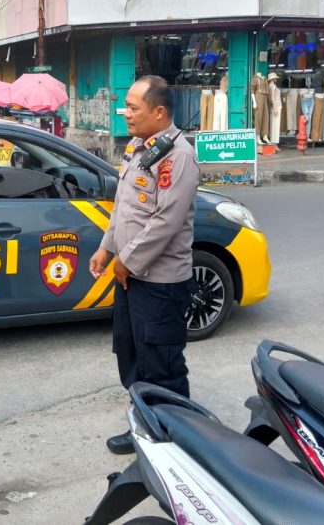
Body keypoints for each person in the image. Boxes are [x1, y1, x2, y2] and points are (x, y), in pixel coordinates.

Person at [88, 75, 200, 455]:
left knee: (162, 364)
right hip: (130, 276)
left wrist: (127, 261)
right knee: (130, 354)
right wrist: (107, 248)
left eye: (133, 108)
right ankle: (145, 427)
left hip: (160, 282)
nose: (127, 114)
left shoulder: (178, 156)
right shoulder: (139, 147)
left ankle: (175, 438)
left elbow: (166, 220)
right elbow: (126, 206)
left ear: (159, 111)